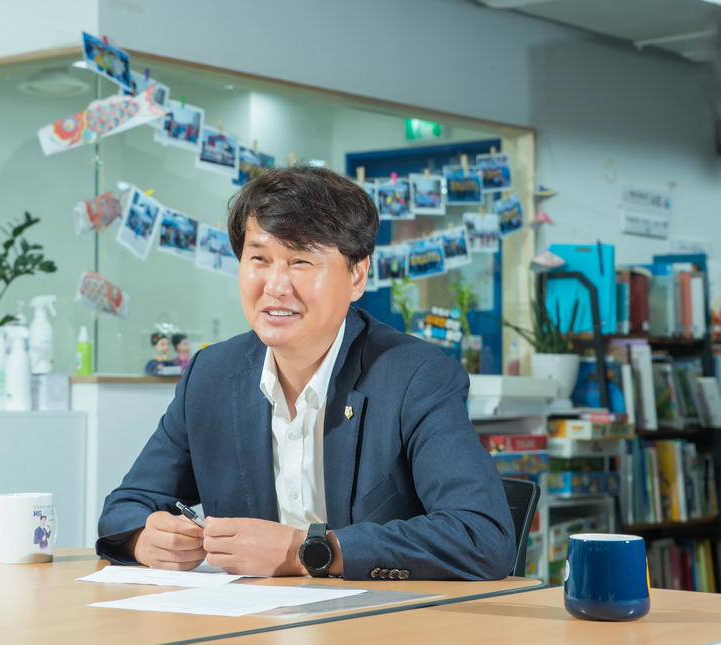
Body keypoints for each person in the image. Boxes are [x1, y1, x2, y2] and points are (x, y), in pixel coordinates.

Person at [97, 166, 515, 581]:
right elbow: (126, 506)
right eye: (259, 259)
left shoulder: (415, 377)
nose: (275, 286)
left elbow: (482, 537)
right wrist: (145, 539)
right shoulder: (211, 375)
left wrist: (307, 551)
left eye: (300, 261)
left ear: (356, 275)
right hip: (248, 615)